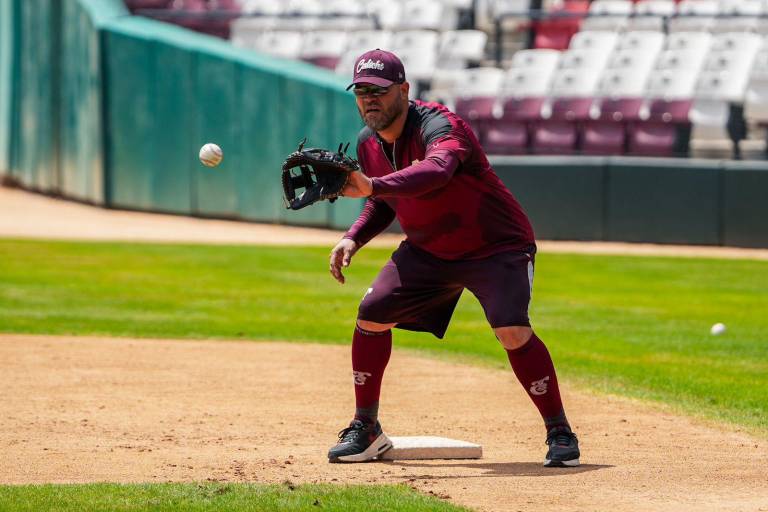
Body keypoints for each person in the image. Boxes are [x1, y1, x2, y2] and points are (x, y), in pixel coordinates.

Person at [326, 49, 580, 467]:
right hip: (429, 250)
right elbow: (383, 201)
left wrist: (372, 185)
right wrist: (353, 237)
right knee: (372, 314)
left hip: (495, 246)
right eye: (362, 91)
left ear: (404, 90)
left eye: (379, 90)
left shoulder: (441, 125)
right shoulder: (368, 142)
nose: (370, 99)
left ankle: (560, 433)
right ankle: (366, 428)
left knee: (511, 329)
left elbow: (438, 170)